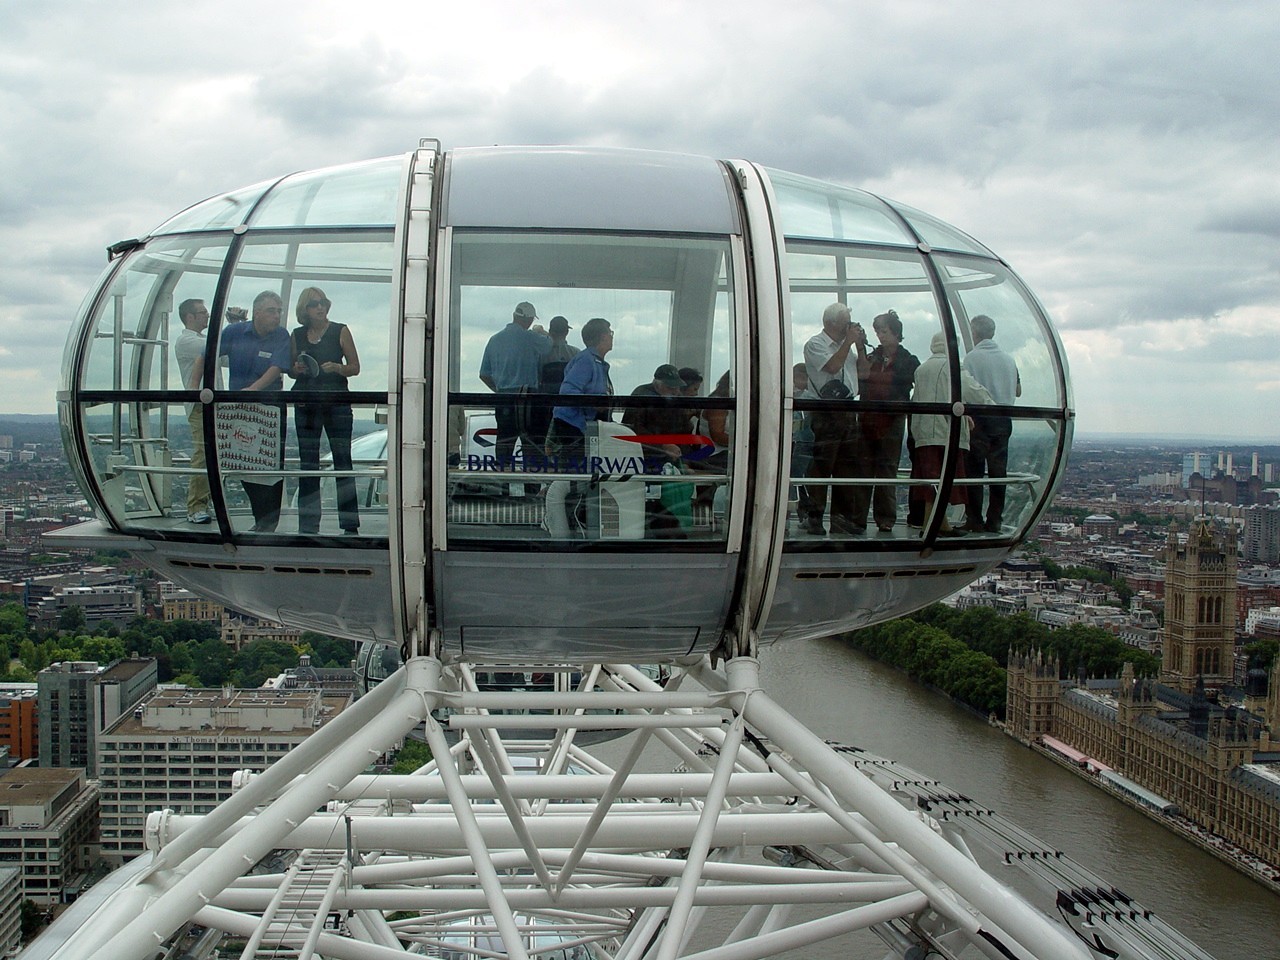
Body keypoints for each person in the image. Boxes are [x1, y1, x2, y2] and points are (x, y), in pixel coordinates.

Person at [289, 287, 361, 535]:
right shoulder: (297, 335)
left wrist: (336, 368)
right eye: (314, 304)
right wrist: (297, 369)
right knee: (308, 464)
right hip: (306, 403)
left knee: (343, 460)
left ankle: (349, 524)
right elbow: (291, 368)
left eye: (323, 303)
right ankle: (308, 526)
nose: (320, 307)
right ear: (305, 310)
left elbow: (354, 367)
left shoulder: (339, 330)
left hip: (336, 402)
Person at [219, 290, 291, 531]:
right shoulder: (233, 333)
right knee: (243, 459)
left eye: (279, 311)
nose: (277, 316)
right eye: (272, 311)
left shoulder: (281, 336)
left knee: (270, 463)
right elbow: (206, 356)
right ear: (257, 312)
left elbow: (276, 368)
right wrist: (194, 388)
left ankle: (268, 522)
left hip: (269, 408)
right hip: (239, 410)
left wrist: (253, 390)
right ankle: (260, 519)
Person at [909, 331, 992, 536]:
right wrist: (994, 407)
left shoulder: (922, 369)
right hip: (945, 434)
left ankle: (935, 524)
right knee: (945, 480)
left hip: (924, 433)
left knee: (931, 482)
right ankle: (936, 526)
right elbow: (972, 390)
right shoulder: (952, 366)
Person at [545, 318, 614, 536]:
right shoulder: (586, 361)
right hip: (572, 426)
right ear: (603, 337)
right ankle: (558, 525)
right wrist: (594, 404)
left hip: (584, 427)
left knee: (582, 477)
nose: (612, 336)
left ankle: (573, 525)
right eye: (610, 332)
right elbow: (568, 391)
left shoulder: (597, 363)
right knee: (574, 478)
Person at [802, 302, 867, 535]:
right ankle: (814, 517)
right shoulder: (815, 344)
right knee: (822, 465)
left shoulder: (847, 348)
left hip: (848, 409)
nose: (848, 327)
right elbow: (831, 367)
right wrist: (848, 343)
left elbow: (865, 373)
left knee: (847, 466)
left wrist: (860, 348)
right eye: (845, 323)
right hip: (825, 410)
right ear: (831, 323)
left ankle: (841, 518)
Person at [855, 309, 919, 533]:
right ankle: (860, 517)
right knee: (865, 468)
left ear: (896, 333)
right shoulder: (874, 357)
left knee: (887, 468)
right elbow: (862, 377)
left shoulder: (908, 360)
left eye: (884, 331)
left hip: (890, 419)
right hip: (870, 418)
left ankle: (884, 518)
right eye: (878, 332)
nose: (881, 336)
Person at [961, 314, 1020, 534]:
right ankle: (994, 519)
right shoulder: (1009, 360)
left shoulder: (972, 359)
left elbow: (965, 389)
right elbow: (1018, 391)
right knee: (998, 472)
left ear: (975, 333)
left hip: (980, 419)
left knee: (974, 471)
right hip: (1004, 418)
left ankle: (974, 519)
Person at [479, 301, 551, 473]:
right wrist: (542, 332)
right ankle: (531, 489)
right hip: (526, 398)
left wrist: (500, 390)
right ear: (528, 320)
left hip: (503, 399)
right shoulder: (530, 337)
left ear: (514, 316)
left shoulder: (494, 340)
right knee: (531, 444)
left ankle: (502, 487)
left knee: (504, 442)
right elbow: (548, 346)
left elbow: (484, 374)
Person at [174, 298, 214, 524]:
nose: (207, 316)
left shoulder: (199, 340)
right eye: (203, 312)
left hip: (213, 405)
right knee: (203, 455)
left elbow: (226, 357)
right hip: (200, 406)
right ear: (190, 317)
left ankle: (207, 502)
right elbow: (216, 348)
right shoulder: (186, 341)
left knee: (214, 456)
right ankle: (196, 507)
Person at [533, 315, 579, 448]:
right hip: (568, 410)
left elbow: (536, 378)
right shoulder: (576, 354)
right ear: (567, 332)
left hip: (544, 408)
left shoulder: (540, 355)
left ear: (550, 330)